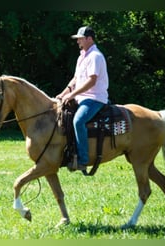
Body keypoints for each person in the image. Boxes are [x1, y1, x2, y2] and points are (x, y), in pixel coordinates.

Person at [56, 26, 109, 171]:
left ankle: (83, 159)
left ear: (89, 39)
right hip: (81, 97)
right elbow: (75, 79)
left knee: (79, 121)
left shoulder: (95, 56)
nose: (78, 41)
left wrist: (71, 95)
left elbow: (91, 81)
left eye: (80, 38)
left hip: (94, 98)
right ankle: (69, 152)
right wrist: (63, 93)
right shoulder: (82, 56)